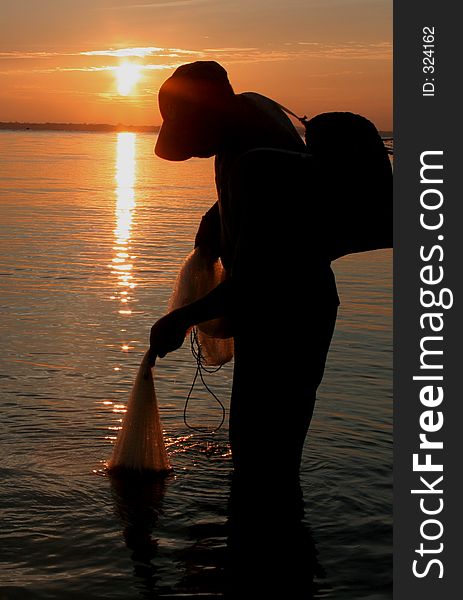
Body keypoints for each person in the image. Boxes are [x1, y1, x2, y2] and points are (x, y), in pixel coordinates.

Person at [148, 61, 339, 483]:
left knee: (264, 457)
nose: (197, 151)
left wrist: (181, 318)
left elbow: (259, 278)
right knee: (261, 452)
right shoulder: (254, 119)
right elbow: (274, 205)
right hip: (286, 307)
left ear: (208, 113)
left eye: (194, 139)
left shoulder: (257, 161)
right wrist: (217, 215)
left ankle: (269, 540)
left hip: (291, 316)